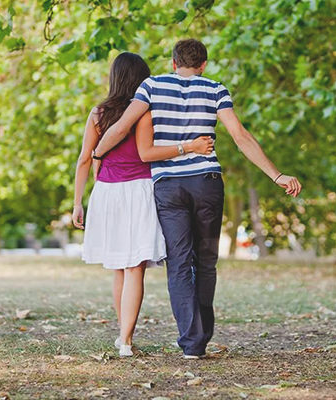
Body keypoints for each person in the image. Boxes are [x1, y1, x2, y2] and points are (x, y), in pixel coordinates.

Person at [93, 39, 302, 359]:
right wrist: (277, 175)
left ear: (173, 63)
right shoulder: (216, 89)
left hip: (169, 187)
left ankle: (191, 343)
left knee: (179, 263)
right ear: (203, 65)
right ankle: (201, 339)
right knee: (205, 262)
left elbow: (121, 128)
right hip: (207, 183)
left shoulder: (152, 86)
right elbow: (241, 137)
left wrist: (97, 154)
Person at [72, 52, 215, 357]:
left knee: (118, 268)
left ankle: (123, 336)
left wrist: (77, 203)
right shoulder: (146, 111)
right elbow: (146, 153)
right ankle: (125, 341)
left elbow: (85, 158)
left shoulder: (98, 114)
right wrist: (189, 147)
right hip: (139, 191)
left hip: (106, 193)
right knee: (134, 269)